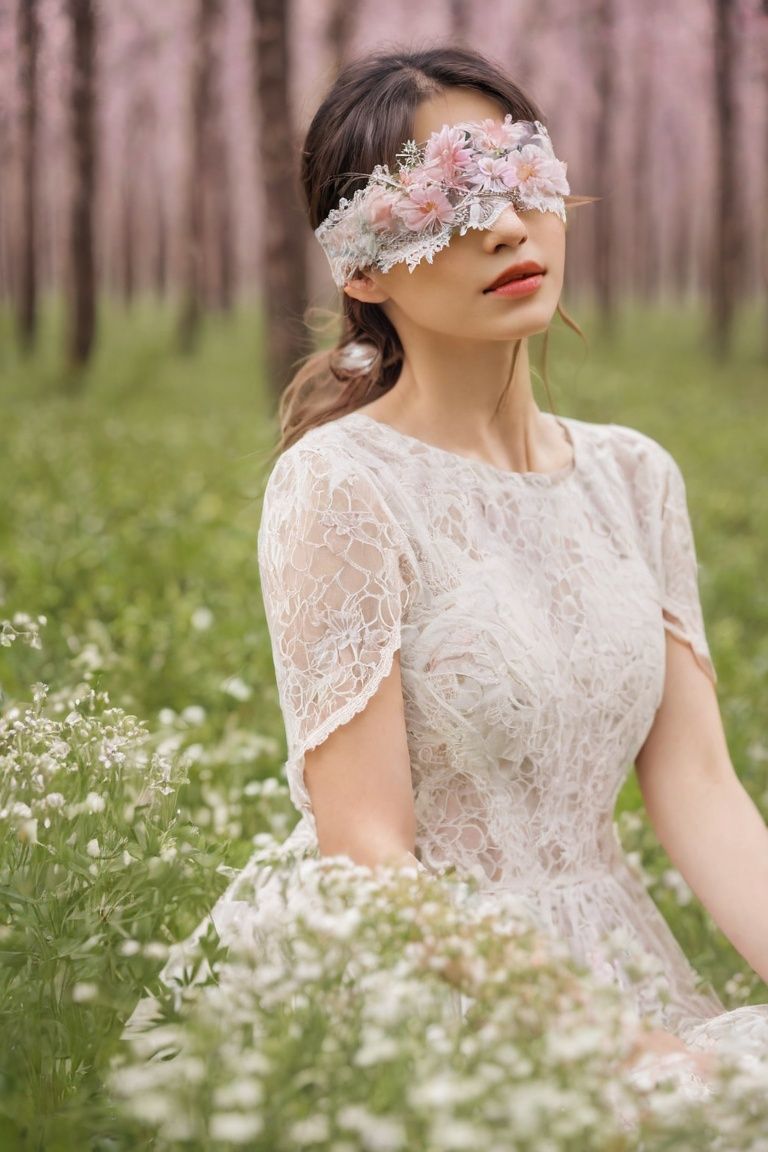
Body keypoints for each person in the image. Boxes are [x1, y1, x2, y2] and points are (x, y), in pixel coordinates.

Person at [126, 45, 768, 1100]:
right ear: (360, 266)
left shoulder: (635, 477)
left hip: (605, 949)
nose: (506, 228)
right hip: (412, 974)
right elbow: (366, 843)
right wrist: (595, 1047)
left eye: (518, 180)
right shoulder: (342, 485)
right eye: (445, 200)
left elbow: (699, 788)